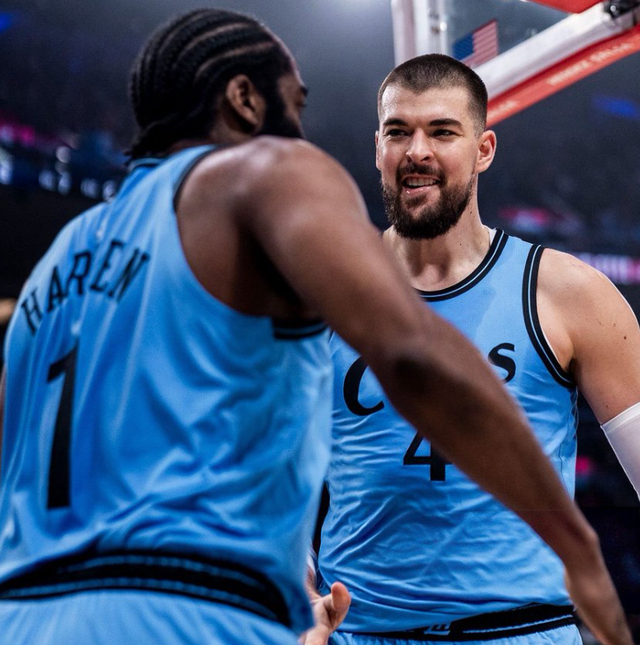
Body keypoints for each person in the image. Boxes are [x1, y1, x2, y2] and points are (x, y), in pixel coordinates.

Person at [0, 12, 632, 645]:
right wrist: (581, 556)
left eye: (443, 131)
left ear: (484, 148)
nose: (299, 135)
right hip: (200, 612)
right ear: (245, 101)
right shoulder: (281, 238)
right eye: (295, 107)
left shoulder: (61, 261)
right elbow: (409, 361)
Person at [317, 54, 640, 645]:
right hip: (358, 631)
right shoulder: (318, 294)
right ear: (378, 148)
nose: (417, 151)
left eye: (442, 132)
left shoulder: (567, 293)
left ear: (484, 149)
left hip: (521, 630)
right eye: (399, 132)